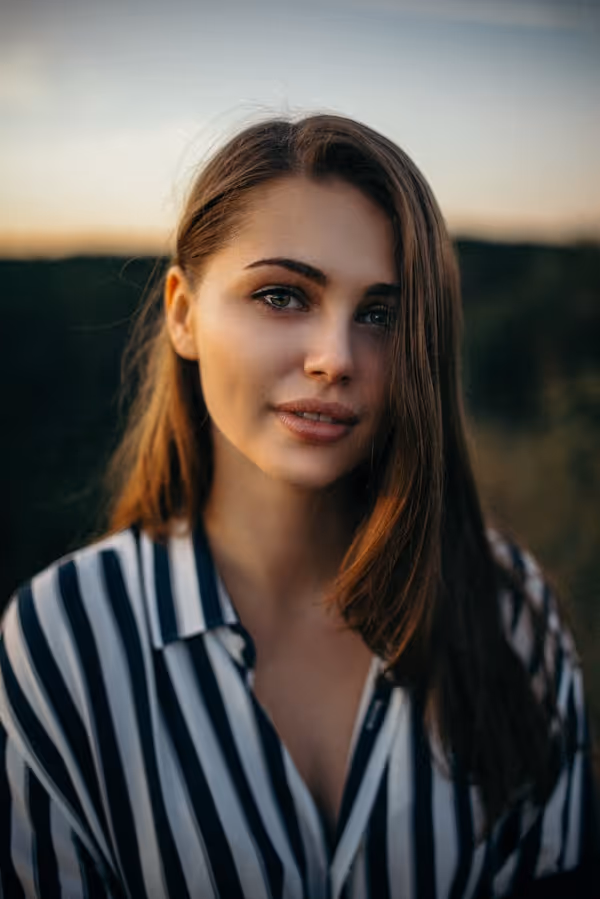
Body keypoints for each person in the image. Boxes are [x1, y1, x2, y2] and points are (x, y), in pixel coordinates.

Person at [0, 114, 596, 899]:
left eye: (380, 313)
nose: (335, 358)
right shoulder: (63, 638)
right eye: (282, 295)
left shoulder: (511, 611)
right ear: (182, 313)